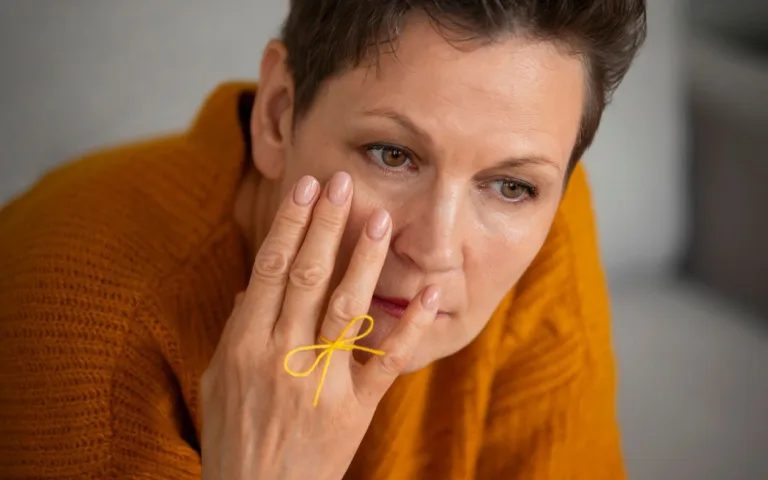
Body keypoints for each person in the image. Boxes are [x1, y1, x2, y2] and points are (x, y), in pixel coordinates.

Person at [0, 1, 647, 478]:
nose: (437, 247)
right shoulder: (77, 338)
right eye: (392, 154)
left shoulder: (544, 221)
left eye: (508, 187)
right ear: (279, 113)